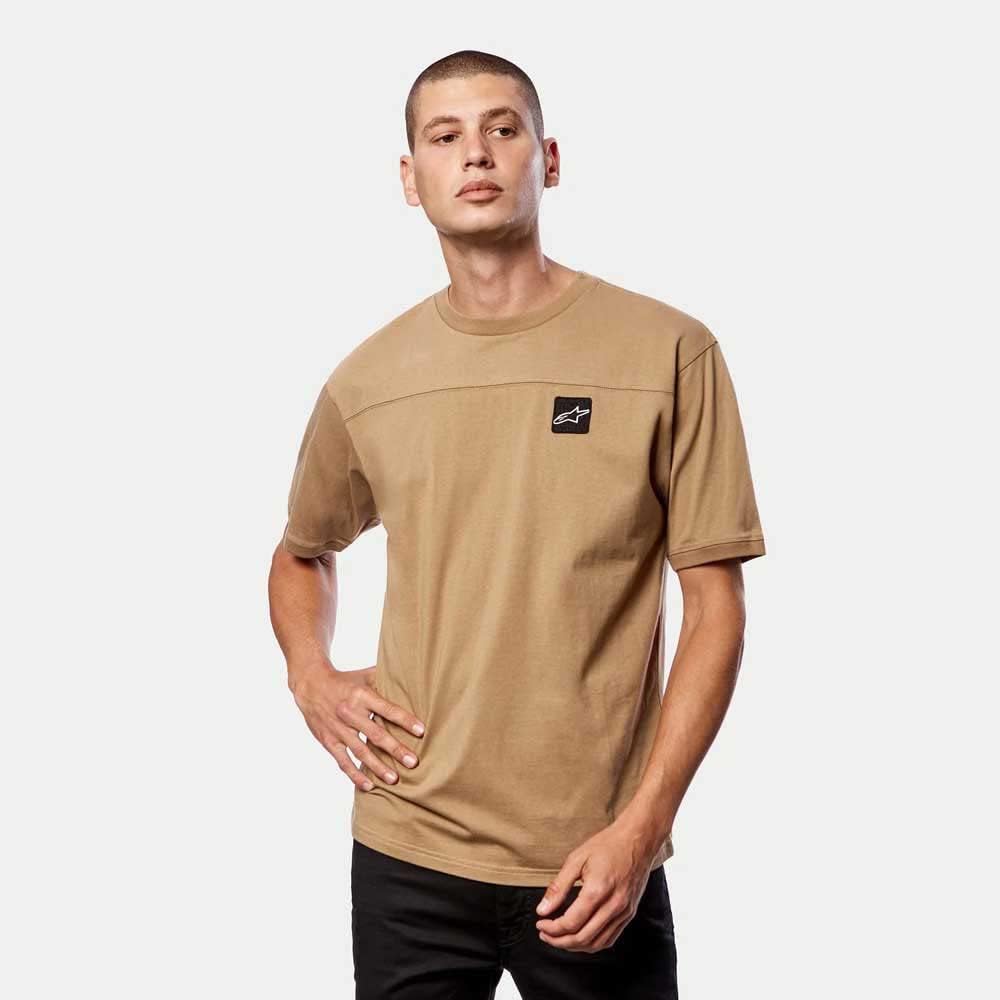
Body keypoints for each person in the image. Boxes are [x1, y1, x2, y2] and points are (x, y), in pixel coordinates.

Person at [268, 48, 766, 1000]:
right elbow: (302, 554)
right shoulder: (368, 379)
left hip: (594, 857)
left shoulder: (668, 350)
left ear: (550, 159)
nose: (477, 153)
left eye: (503, 129)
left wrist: (642, 829)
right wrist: (311, 674)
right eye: (445, 136)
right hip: (408, 850)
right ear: (410, 178)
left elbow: (717, 609)